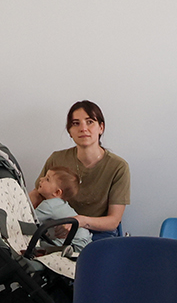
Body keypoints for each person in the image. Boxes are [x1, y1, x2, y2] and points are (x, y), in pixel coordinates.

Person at [39, 100, 129, 236]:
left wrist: (78, 222)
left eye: (90, 122)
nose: (83, 128)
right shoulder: (56, 159)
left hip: (100, 232)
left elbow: (113, 221)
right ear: (69, 131)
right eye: (76, 123)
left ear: (101, 128)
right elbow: (37, 194)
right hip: (58, 228)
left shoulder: (118, 167)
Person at [28, 167, 91, 253]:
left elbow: (29, 219)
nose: (41, 179)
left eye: (47, 179)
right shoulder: (61, 203)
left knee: (40, 245)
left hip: (75, 242)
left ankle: (66, 250)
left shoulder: (49, 205)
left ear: (57, 192)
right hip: (85, 239)